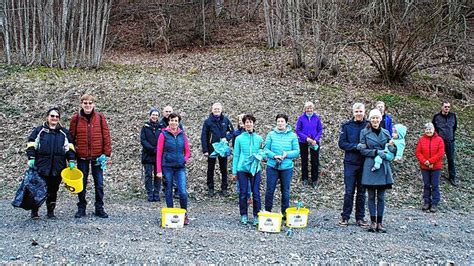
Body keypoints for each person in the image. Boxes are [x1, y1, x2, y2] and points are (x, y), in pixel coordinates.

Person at [26, 108, 76, 219]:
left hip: (58, 167)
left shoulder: (64, 132)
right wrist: (31, 157)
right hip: (41, 166)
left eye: (56, 116)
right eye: (52, 116)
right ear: (47, 117)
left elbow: (70, 148)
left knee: (53, 190)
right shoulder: (39, 131)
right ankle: (35, 212)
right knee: (38, 190)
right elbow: (31, 144)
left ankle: (50, 212)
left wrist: (71, 160)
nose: (54, 118)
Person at [70, 94, 112, 219]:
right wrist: (71, 156)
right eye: (85, 103)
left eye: (90, 103)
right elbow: (71, 138)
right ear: (81, 104)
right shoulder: (75, 118)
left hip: (98, 158)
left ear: (93, 104)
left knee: (99, 184)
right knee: (81, 184)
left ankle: (99, 208)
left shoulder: (100, 117)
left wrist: (106, 153)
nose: (88, 105)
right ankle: (81, 208)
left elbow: (106, 135)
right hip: (81, 157)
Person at [359, 109, 396, 233]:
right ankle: (372, 222)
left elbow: (392, 147)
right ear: (370, 119)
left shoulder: (386, 133)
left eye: (377, 118)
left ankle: (380, 222)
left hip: (383, 166)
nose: (375, 120)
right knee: (370, 196)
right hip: (370, 165)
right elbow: (363, 150)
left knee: (381, 197)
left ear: (380, 119)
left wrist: (392, 149)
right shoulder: (364, 132)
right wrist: (375, 152)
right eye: (373, 118)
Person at [338, 103, 369, 228]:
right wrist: (355, 146)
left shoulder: (369, 125)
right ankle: (345, 217)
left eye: (360, 111)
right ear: (353, 112)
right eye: (356, 111)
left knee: (362, 192)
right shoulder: (346, 126)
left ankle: (360, 218)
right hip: (350, 163)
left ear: (364, 111)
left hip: (364, 163)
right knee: (349, 191)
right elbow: (342, 144)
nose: (358, 113)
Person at [156, 113, 191, 225]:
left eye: (176, 121)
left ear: (178, 122)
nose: (174, 123)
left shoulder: (183, 135)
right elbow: (159, 153)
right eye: (172, 120)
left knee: (182, 192)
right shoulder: (163, 135)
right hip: (167, 166)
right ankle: (170, 213)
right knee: (168, 190)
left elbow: (187, 151)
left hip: (180, 167)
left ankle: (184, 214)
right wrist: (159, 170)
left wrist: (183, 159)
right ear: (168, 121)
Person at [264, 114, 300, 218]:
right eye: (278, 121)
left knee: (285, 191)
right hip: (272, 166)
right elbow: (266, 149)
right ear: (276, 122)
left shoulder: (292, 135)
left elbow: (297, 152)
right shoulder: (271, 134)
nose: (280, 123)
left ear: (286, 123)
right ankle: (267, 211)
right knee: (270, 189)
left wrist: (287, 154)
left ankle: (285, 213)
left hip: (287, 167)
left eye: (282, 121)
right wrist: (274, 156)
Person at [232, 114, 263, 226]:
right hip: (242, 169)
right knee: (243, 193)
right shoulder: (239, 138)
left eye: (250, 122)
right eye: (246, 122)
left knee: (256, 193)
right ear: (243, 125)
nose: (248, 124)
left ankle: (256, 215)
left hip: (255, 169)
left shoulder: (259, 138)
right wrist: (234, 171)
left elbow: (262, 153)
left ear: (253, 124)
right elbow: (236, 155)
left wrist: (260, 155)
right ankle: (243, 214)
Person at [201, 103, 234, 197]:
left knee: (223, 168)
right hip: (212, 148)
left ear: (221, 110)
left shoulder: (225, 120)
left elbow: (232, 131)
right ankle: (210, 188)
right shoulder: (207, 122)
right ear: (212, 110)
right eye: (215, 109)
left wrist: (227, 138)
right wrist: (205, 150)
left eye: (218, 109)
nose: (216, 110)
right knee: (210, 168)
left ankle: (224, 188)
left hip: (223, 148)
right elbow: (203, 136)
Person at [415, 122, 445, 212]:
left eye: (430, 129)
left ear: (433, 129)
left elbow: (441, 153)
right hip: (425, 167)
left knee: (435, 185)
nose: (428, 131)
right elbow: (418, 152)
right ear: (425, 130)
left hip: (436, 167)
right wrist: (425, 162)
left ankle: (434, 203)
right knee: (426, 185)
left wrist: (431, 161)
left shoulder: (439, 140)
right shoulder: (421, 139)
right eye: (427, 129)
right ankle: (426, 202)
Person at [295, 101, 323, 187]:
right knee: (304, 160)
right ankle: (305, 178)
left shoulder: (317, 118)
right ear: (305, 109)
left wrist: (316, 139)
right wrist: (306, 138)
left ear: (313, 109)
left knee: (315, 161)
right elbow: (298, 130)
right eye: (307, 108)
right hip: (303, 141)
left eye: (310, 108)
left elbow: (320, 130)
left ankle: (314, 179)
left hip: (314, 141)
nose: (309, 109)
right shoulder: (301, 118)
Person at [227, 114, 252, 204]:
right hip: (239, 158)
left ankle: (249, 196)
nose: (242, 122)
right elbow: (233, 144)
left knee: (249, 179)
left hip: (249, 160)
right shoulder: (236, 133)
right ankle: (241, 196)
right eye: (240, 120)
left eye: (243, 120)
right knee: (239, 177)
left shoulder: (251, 132)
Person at [158, 105, 182, 197]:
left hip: (176, 154)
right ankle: (166, 190)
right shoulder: (160, 124)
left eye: (169, 111)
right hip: (165, 153)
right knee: (166, 176)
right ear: (163, 113)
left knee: (177, 175)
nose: (168, 113)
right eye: (166, 111)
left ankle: (177, 191)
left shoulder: (178, 124)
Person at [432, 101, 458, 186]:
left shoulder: (453, 116)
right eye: (445, 106)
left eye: (448, 107)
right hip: (440, 142)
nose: (447, 108)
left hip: (450, 142)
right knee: (437, 158)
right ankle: (434, 176)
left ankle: (452, 177)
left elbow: (454, 128)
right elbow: (434, 129)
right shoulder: (436, 117)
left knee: (451, 159)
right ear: (442, 107)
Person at [140, 107, 161, 202]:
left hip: (158, 155)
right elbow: (143, 140)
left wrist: (158, 150)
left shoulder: (161, 127)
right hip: (148, 154)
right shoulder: (145, 127)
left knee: (158, 174)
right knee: (148, 174)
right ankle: (149, 193)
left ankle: (156, 193)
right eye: (153, 115)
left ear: (158, 116)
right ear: (150, 116)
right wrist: (152, 149)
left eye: (156, 115)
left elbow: (163, 140)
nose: (154, 116)